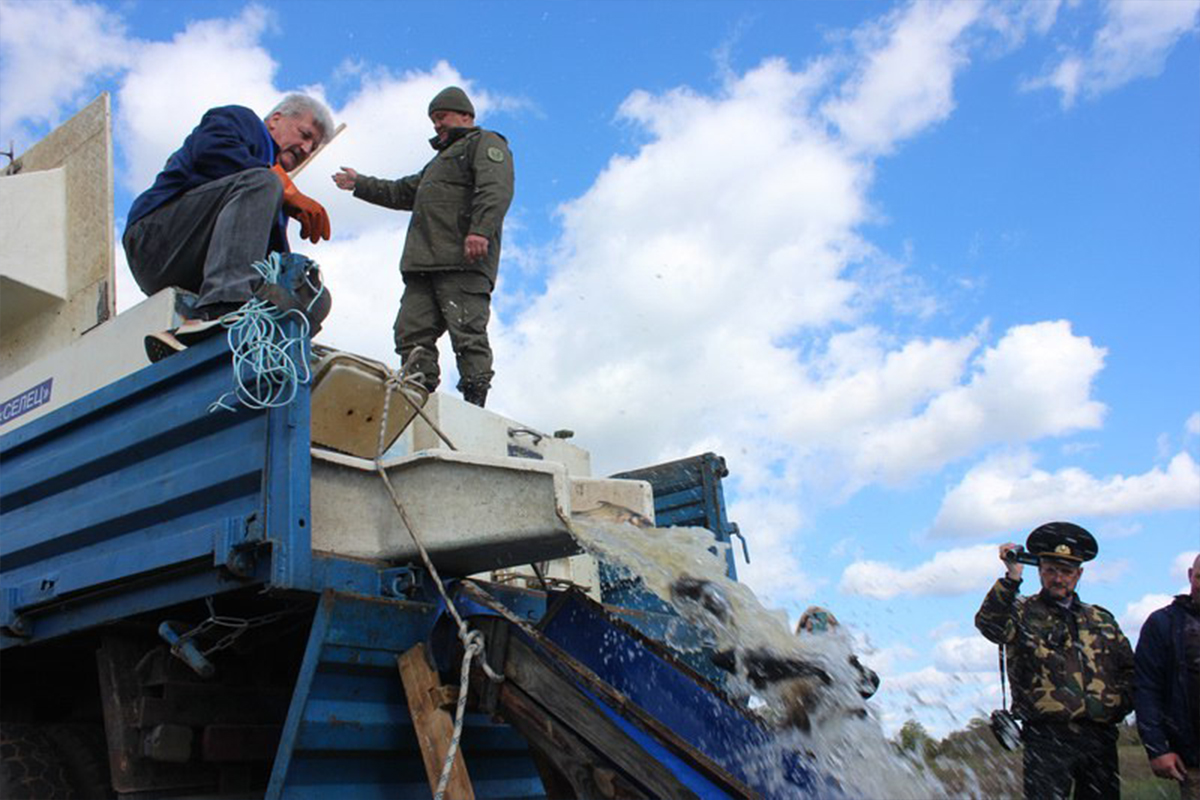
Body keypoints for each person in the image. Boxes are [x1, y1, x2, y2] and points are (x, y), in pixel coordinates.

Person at [332, 86, 514, 407]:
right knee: (410, 334)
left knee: (468, 335)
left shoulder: (485, 143)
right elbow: (402, 191)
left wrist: (480, 231)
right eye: (433, 119)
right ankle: (418, 403)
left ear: (465, 115)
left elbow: (495, 188)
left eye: (441, 117)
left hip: (463, 262)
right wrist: (360, 183)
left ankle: (475, 406)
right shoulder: (438, 163)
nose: (436, 125)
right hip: (422, 265)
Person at [124, 94, 333, 354]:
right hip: (154, 242)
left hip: (193, 268)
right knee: (263, 182)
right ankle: (221, 310)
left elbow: (260, 259)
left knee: (312, 292)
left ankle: (276, 349)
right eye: (304, 134)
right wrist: (285, 189)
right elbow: (211, 151)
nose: (305, 148)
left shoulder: (266, 194)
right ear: (275, 120)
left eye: (312, 147)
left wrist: (297, 286)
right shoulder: (243, 123)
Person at [975, 522, 1135, 800]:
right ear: (1040, 571)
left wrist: (1119, 706)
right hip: (1047, 737)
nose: (1058, 579)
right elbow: (990, 625)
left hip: (1100, 737)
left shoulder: (1101, 619)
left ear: (1079, 574)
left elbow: (1130, 670)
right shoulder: (1021, 611)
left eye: (1066, 572)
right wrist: (1011, 578)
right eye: (1050, 571)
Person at [1135, 553, 1200, 799]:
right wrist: (1157, 748)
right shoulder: (1163, 624)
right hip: (1194, 763)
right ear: (1189, 575)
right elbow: (1147, 689)